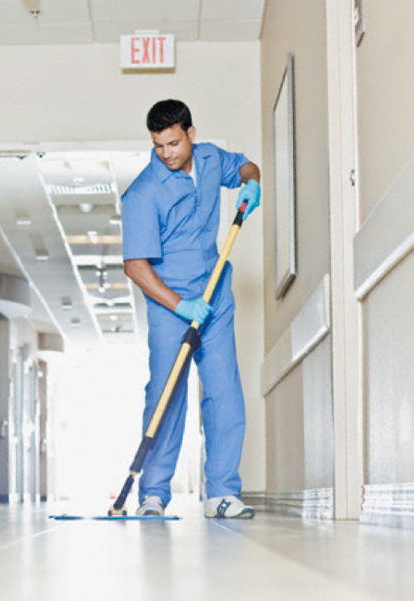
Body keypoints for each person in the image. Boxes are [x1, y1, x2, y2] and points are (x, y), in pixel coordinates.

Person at [121, 99, 261, 519]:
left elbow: (246, 167)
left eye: (174, 143)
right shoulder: (144, 193)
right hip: (171, 304)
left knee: (224, 391)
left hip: (215, 293)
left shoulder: (210, 158)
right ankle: (153, 493)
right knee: (167, 395)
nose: (167, 153)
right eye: (159, 145)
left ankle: (221, 491)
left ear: (191, 133)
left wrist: (251, 185)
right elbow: (135, 265)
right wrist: (181, 305)